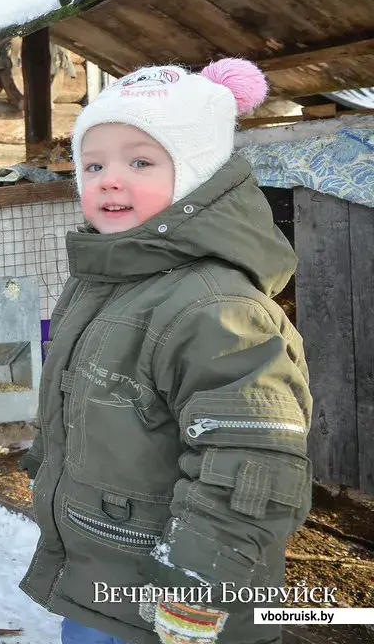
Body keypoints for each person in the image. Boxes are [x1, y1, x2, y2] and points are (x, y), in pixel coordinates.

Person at [18, 59, 312, 644]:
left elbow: (253, 464)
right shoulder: (102, 278)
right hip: (104, 578)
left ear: (198, 176)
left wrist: (196, 592)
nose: (108, 178)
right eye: (93, 163)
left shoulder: (217, 308)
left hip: (179, 603)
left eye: (141, 161)